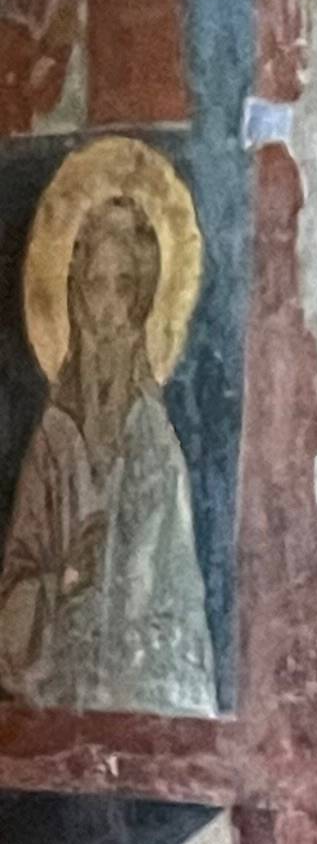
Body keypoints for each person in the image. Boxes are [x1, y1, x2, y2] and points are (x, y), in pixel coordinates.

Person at [0, 162, 213, 713]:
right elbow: (10, 618)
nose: (109, 312)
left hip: (136, 710)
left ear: (145, 301)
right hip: (53, 716)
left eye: (125, 287)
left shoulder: (154, 446)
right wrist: (66, 579)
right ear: (76, 295)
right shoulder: (54, 442)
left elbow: (181, 615)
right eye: (96, 285)